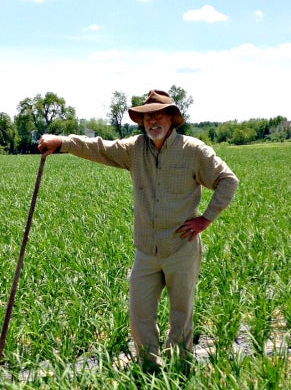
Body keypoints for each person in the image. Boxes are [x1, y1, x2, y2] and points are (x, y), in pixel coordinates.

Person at [38, 89, 238, 371]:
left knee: (181, 313)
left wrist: (205, 219)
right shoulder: (135, 149)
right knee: (140, 313)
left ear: (171, 118)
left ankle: (181, 368)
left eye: (158, 115)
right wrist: (63, 143)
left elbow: (227, 180)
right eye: (147, 117)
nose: (152, 121)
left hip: (181, 246)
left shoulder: (194, 151)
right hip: (146, 249)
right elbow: (99, 147)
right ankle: (149, 368)